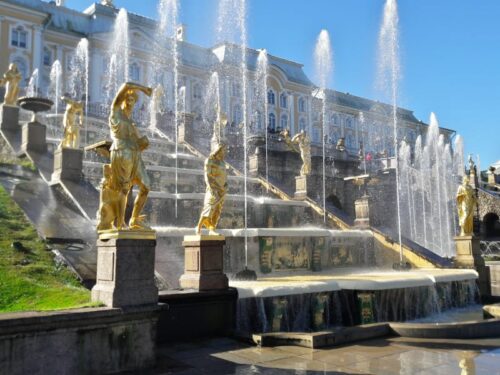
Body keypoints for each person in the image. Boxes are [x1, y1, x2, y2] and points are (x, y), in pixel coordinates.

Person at [108, 82, 153, 230]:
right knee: (124, 189)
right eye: (127, 99)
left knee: (146, 186)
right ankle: (120, 222)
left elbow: (138, 143)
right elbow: (126, 84)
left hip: (134, 155)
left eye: (133, 100)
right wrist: (143, 89)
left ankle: (134, 219)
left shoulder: (130, 123)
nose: (130, 102)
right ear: (122, 100)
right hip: (121, 152)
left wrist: (143, 143)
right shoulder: (115, 111)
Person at [196, 143, 228, 234]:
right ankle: (198, 227)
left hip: (222, 190)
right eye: (222, 150)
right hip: (213, 189)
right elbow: (207, 175)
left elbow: (224, 176)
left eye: (224, 151)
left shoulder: (222, 163)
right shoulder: (210, 160)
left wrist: (226, 185)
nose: (224, 153)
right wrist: (211, 188)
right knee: (209, 207)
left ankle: (212, 229)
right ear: (217, 150)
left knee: (217, 210)